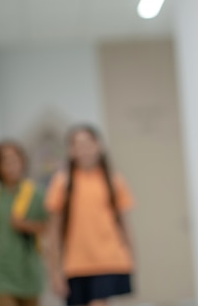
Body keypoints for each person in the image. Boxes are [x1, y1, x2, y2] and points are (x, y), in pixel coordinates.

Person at [45, 124, 134, 306]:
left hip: (109, 259)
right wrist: (54, 272)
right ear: (70, 150)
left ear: (99, 145)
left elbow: (123, 224)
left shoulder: (114, 180)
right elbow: (54, 232)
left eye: (88, 143)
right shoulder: (62, 183)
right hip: (75, 264)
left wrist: (132, 257)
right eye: (77, 145)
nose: (84, 150)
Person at [0, 140, 48, 306]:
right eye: (6, 161)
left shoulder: (35, 194)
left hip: (29, 270)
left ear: (22, 162)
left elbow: (49, 228)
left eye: (15, 159)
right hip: (1, 271)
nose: (12, 165)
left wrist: (25, 225)